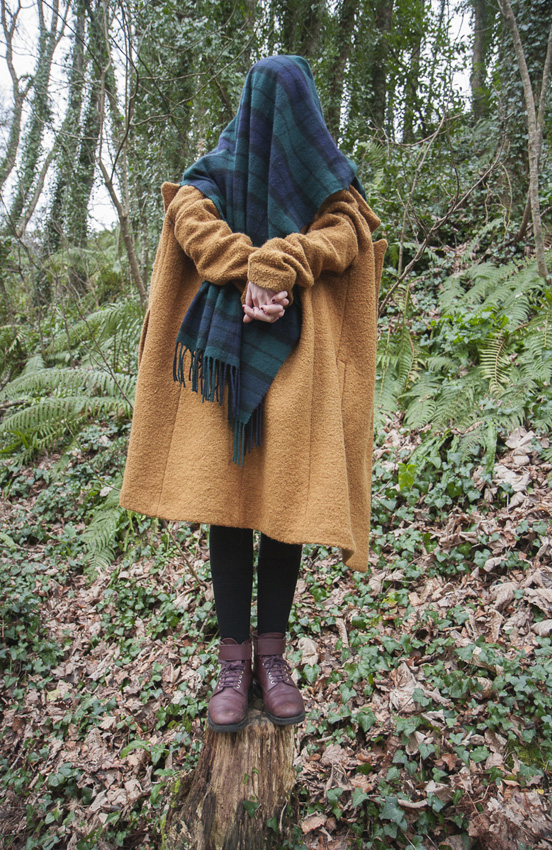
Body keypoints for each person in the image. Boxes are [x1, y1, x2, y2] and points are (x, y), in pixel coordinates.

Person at [120, 55, 387, 732]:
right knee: (230, 506)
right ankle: (233, 662)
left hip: (298, 361)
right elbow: (188, 215)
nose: (275, 116)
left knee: (284, 505)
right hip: (225, 358)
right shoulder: (215, 170)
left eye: (286, 102)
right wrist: (247, 273)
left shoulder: (326, 175)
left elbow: (350, 230)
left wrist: (285, 261)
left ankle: (274, 656)